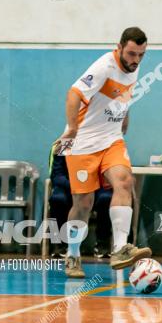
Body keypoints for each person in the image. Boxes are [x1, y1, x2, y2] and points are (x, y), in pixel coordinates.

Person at [57, 27, 152, 278]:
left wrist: (124, 115)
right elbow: (73, 94)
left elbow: (122, 93)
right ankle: (73, 254)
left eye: (141, 55)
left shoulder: (133, 67)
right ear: (119, 47)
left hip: (111, 139)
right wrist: (73, 129)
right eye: (131, 54)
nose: (135, 60)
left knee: (124, 181)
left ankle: (120, 249)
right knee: (84, 203)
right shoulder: (103, 67)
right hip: (83, 142)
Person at [46, 142, 113, 258]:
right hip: (68, 187)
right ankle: (59, 244)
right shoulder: (63, 145)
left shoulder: (102, 144)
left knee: (106, 198)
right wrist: (76, 186)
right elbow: (57, 175)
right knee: (57, 199)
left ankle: (103, 245)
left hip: (96, 187)